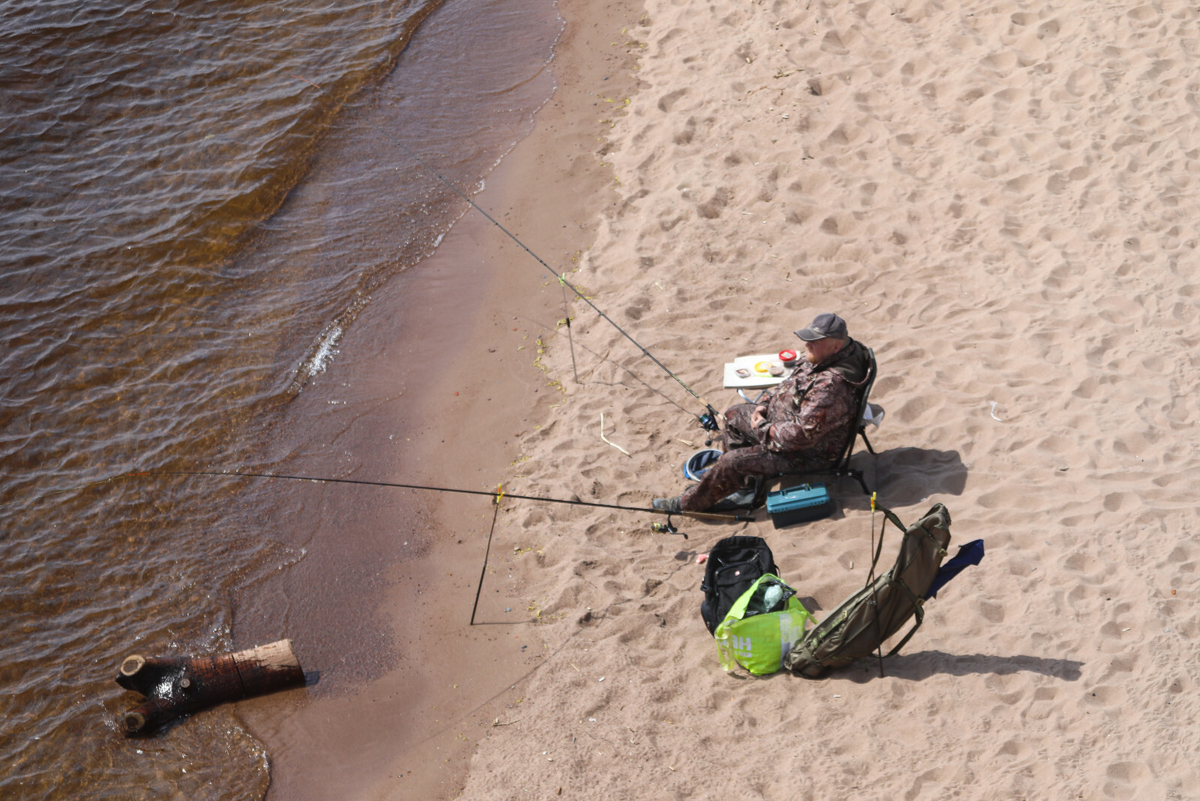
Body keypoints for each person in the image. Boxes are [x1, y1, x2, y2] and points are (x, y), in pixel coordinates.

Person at [654, 313, 871, 513]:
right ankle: (746, 487)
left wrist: (762, 427)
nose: (807, 345)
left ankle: (687, 504)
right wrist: (765, 406)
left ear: (836, 347)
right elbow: (789, 384)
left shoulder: (831, 387)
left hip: (806, 454)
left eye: (815, 342)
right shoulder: (825, 357)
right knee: (733, 415)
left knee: (731, 461)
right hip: (782, 427)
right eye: (808, 339)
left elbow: (800, 437)